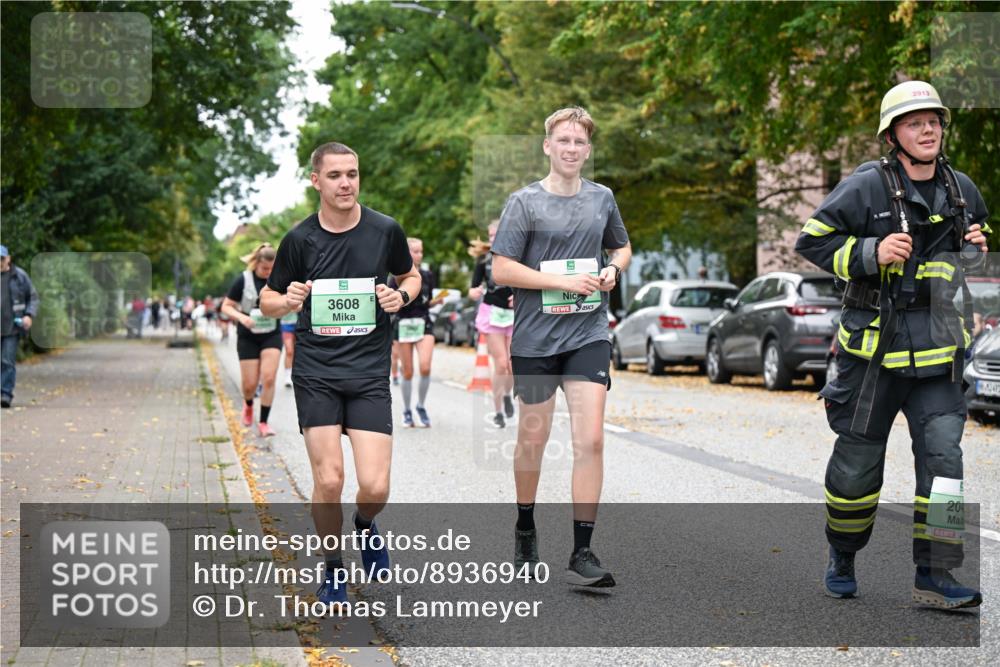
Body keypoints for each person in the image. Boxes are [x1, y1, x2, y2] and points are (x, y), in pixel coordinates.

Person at [795, 81, 990, 610]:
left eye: (933, 121)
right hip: (872, 358)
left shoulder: (961, 188)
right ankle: (843, 553)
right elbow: (811, 241)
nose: (927, 130)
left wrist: (976, 250)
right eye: (914, 123)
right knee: (856, 471)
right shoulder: (866, 189)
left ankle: (937, 574)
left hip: (939, 355)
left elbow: (970, 257)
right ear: (892, 135)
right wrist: (869, 250)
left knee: (946, 468)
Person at [259, 141, 420, 606]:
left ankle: (366, 524)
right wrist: (286, 300)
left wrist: (401, 297)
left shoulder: (385, 230)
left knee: (374, 486)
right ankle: (332, 569)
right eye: (335, 175)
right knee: (329, 480)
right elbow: (267, 301)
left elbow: (410, 277)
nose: (346, 182)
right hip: (318, 372)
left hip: (369, 370)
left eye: (352, 173)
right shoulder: (298, 239)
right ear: (316, 180)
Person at [491, 107, 631, 588]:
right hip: (535, 340)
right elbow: (502, 270)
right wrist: (560, 281)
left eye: (579, 142)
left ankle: (582, 550)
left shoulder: (602, 198)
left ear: (588, 150)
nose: (572, 149)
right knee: (534, 440)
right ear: (548, 146)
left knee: (590, 439)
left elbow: (622, 247)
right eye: (563, 141)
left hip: (588, 333)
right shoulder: (524, 203)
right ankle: (525, 524)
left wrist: (613, 269)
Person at [221, 243, 283, 438]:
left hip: (271, 334)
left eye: (272, 269)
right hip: (248, 335)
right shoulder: (243, 280)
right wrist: (241, 317)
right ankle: (248, 405)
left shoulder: (279, 279)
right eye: (265, 268)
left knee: (269, 377)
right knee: (249, 384)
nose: (268, 272)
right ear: (256, 263)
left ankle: (264, 422)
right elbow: (226, 306)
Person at [388, 238, 444, 428]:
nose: (418, 255)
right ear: (406, 252)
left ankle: (420, 406)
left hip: (423, 322)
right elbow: (391, 302)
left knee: (426, 366)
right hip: (403, 324)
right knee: (408, 371)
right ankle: (407, 410)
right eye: (414, 251)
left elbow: (426, 299)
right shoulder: (394, 276)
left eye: (420, 251)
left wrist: (434, 302)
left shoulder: (428, 275)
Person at [469, 221, 516, 428]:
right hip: (492, 313)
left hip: (515, 315)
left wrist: (519, 297)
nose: (492, 239)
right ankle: (498, 411)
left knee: (514, 364)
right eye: (490, 235)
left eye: (496, 235)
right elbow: (472, 289)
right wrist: (475, 292)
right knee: (502, 363)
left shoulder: (518, 257)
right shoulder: (484, 260)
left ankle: (506, 395)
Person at [1, 245, 39, 409]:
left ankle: (5, 394)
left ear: (8, 259)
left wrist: (29, 315)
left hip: (12, 327)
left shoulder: (19, 276)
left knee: (7, 361)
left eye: (1, 259)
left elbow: (33, 297)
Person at [280, 309, 297, 387]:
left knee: (298, 351)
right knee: (289, 350)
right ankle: (288, 376)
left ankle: (296, 373)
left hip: (300, 323)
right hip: (286, 323)